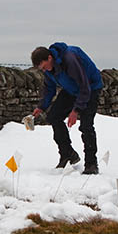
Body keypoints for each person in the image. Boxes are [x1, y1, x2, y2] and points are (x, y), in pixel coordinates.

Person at [31, 42, 103, 174]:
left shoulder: (70, 59)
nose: (44, 70)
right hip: (71, 90)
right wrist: (41, 107)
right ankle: (68, 154)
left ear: (49, 58)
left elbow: (84, 86)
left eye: (44, 66)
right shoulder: (48, 69)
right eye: (41, 69)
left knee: (86, 126)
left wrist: (75, 111)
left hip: (90, 89)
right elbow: (49, 89)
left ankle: (91, 164)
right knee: (53, 117)